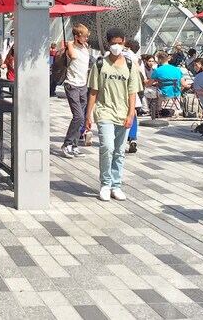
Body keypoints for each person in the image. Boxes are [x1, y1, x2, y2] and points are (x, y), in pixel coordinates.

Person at [85, 28, 143, 202]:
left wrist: (131, 114)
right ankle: (105, 183)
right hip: (104, 112)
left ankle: (116, 186)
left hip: (123, 113)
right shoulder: (100, 64)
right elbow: (93, 91)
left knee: (119, 151)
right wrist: (88, 115)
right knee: (107, 147)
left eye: (120, 43)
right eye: (114, 43)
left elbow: (132, 92)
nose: (117, 46)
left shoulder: (130, 64)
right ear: (108, 43)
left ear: (124, 42)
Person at [61, 24, 91, 158]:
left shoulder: (85, 47)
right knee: (78, 116)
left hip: (83, 84)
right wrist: (69, 43)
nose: (86, 39)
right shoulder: (71, 48)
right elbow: (72, 56)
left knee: (81, 116)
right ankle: (67, 144)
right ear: (76, 36)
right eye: (83, 36)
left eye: (86, 36)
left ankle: (74, 145)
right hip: (72, 85)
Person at [123, 38, 143, 154]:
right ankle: (132, 138)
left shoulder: (110, 55)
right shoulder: (134, 58)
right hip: (132, 89)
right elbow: (140, 72)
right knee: (133, 112)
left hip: (116, 88)